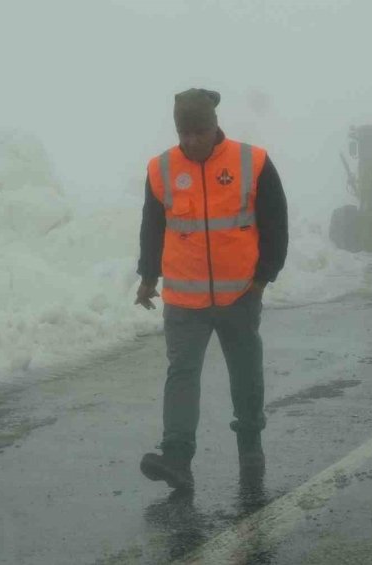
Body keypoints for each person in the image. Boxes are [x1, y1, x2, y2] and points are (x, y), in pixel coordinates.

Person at [134, 88, 288, 491]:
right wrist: (148, 277)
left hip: (240, 295)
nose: (190, 141)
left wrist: (262, 278)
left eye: (198, 132)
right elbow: (153, 227)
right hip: (185, 301)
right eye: (183, 133)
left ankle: (250, 442)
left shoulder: (251, 162)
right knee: (181, 373)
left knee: (245, 371)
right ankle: (177, 458)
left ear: (215, 125)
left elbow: (275, 223)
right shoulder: (161, 169)